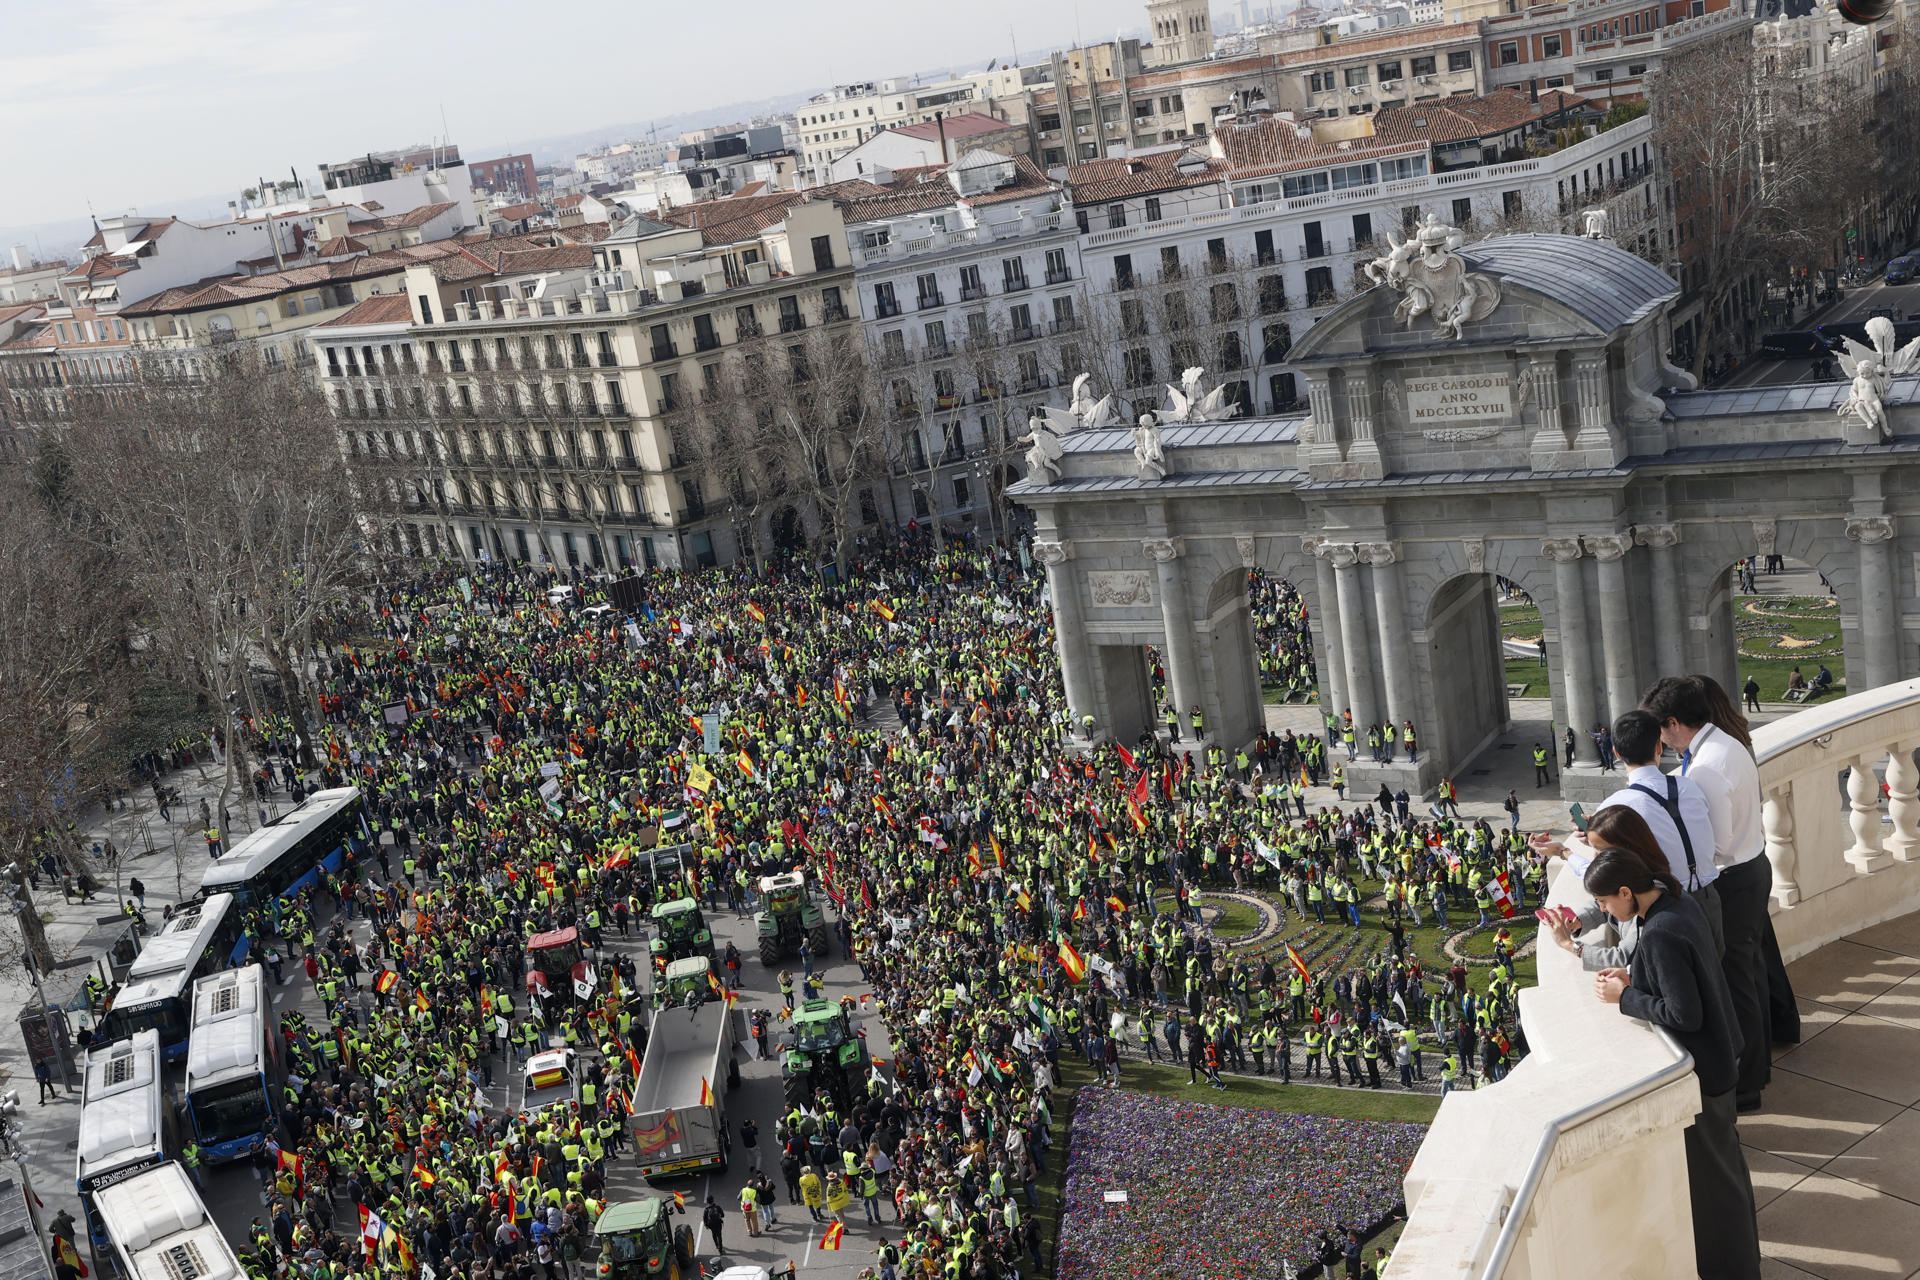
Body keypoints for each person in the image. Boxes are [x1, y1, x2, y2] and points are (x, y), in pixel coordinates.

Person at [1584, 847, 1761, 1280]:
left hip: (1704, 1072)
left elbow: (1685, 1014)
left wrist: (1625, 997)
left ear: (1626, 891)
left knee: (1717, 1185)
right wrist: (1637, 978)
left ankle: (1735, 1270)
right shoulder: (1674, 899)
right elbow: (1689, 977)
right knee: (1727, 1170)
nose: (1605, 912)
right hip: (1722, 1055)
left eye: (1606, 902)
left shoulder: (1660, 930)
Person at [1643, 675, 1781, 1111]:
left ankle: (1749, 1083)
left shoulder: (1705, 767)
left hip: (1735, 877)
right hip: (1751, 867)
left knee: (1738, 980)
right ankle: (1756, 1072)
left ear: (1673, 723)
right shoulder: (1723, 742)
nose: (1659, 742)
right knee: (1748, 972)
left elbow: (1714, 845)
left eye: (1659, 731)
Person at [1592, 711, 1723, 952]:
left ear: (1617, 754)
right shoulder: (1689, 786)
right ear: (1658, 746)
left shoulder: (1614, 807)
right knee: (1714, 976)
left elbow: (1607, 871)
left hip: (1666, 909)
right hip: (1709, 899)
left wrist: (1570, 851)